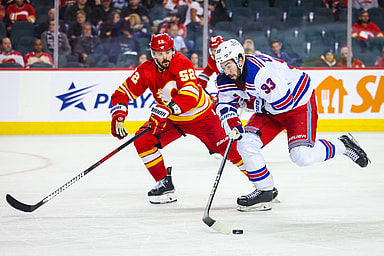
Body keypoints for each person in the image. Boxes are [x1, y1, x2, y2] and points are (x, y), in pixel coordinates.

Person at [214, 39, 370, 211]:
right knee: (245, 143)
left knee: (301, 156)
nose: (226, 71)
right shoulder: (226, 78)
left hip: (298, 103)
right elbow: (225, 104)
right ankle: (264, 190)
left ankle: (343, 144)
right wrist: (232, 124)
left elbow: (284, 104)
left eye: (229, 65)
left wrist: (251, 104)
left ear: (240, 59)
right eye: (223, 66)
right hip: (270, 108)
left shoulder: (261, 74)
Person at [110, 33, 252, 204]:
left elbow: (190, 95)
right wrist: (119, 114)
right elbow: (122, 93)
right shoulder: (145, 70)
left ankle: (262, 186)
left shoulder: (182, 62)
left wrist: (166, 110)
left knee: (232, 151)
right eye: (159, 53)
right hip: (173, 120)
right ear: (152, 53)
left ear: (173, 49)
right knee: (143, 140)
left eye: (168, 52)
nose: (165, 57)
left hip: (203, 117)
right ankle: (164, 183)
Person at [196, 35, 225, 101]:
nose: (214, 53)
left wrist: (219, 97)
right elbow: (208, 70)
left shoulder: (230, 58)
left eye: (216, 50)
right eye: (212, 50)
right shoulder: (212, 59)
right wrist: (201, 82)